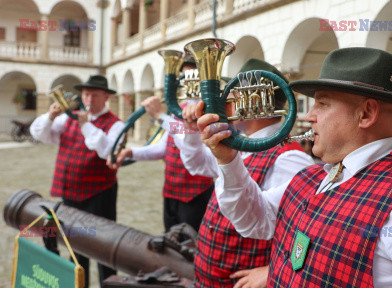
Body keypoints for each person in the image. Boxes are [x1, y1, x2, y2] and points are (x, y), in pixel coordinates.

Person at [198, 48, 392, 287]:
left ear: (366, 114)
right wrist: (229, 161)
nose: (309, 116)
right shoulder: (312, 175)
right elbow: (253, 221)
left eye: (322, 104)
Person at [184, 58, 314, 288]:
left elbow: (306, 228)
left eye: (230, 97)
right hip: (211, 275)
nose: (224, 105)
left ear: (251, 103)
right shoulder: (240, 143)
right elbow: (197, 165)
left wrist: (276, 268)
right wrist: (191, 130)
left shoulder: (290, 158)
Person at [30, 75, 124, 287]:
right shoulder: (67, 118)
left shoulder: (116, 124)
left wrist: (86, 125)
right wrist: (50, 116)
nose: (88, 99)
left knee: (104, 247)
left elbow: (108, 151)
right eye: (85, 94)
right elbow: (39, 134)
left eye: (94, 95)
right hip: (71, 193)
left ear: (106, 97)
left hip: (100, 193)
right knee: (75, 248)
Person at [107, 58, 214, 233]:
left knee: (192, 247)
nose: (188, 82)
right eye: (185, 77)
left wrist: (160, 116)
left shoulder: (210, 110)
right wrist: (131, 152)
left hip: (196, 195)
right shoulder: (177, 109)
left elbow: (186, 134)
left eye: (193, 77)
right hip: (171, 192)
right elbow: (166, 146)